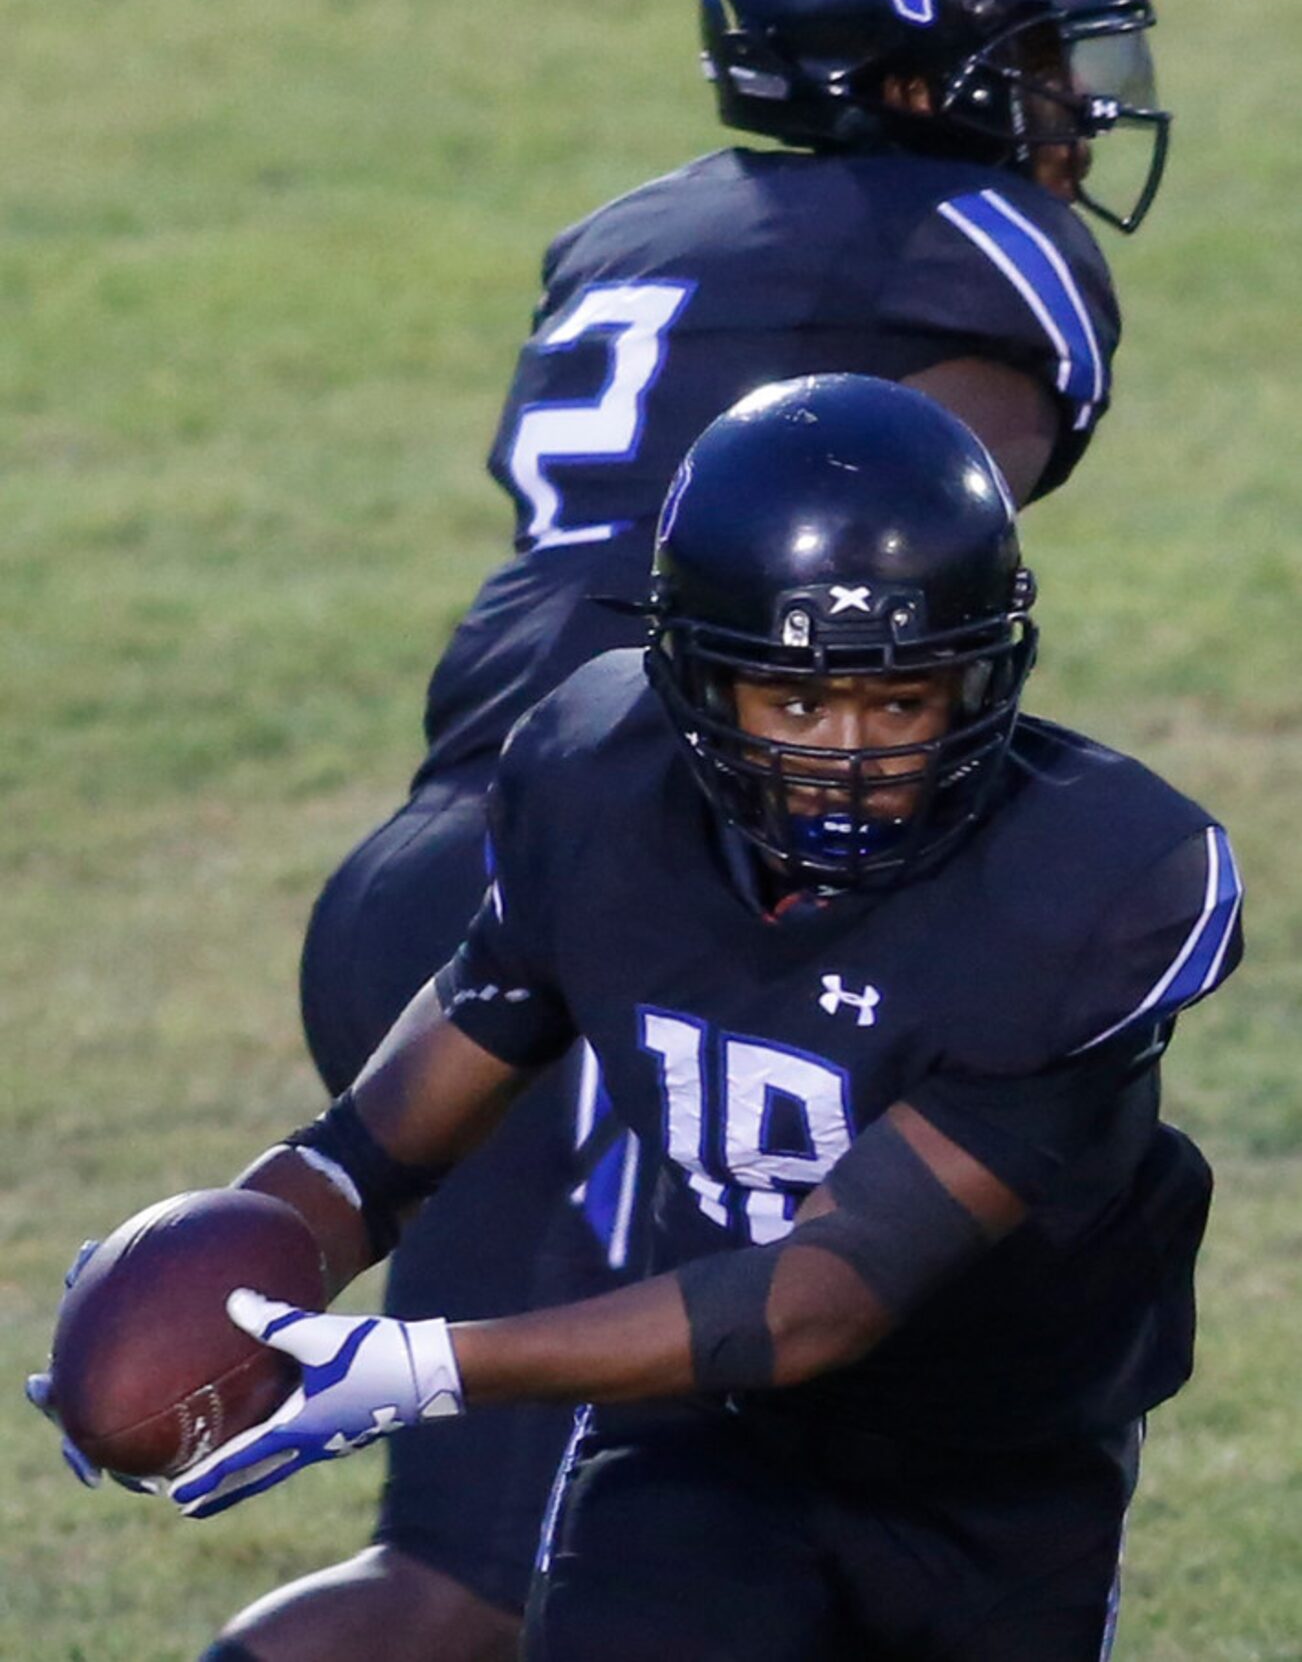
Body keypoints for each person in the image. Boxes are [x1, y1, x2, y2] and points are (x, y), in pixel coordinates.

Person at [163, 0, 1180, 1660]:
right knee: (492, 1580)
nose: (1072, 112)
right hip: (655, 859)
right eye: (1031, 61)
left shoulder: (635, 227)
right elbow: (906, 564)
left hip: (468, 836)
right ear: (903, 75)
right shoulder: (987, 247)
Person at [38, 377, 1243, 1662]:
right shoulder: (597, 778)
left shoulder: (1098, 881)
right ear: (700, 686)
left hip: (998, 1470)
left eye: (900, 703)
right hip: (701, 1439)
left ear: (981, 677)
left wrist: (426, 1364)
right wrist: (195, 1303)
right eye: (796, 703)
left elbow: (821, 1301)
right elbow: (373, 1152)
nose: (851, 755)